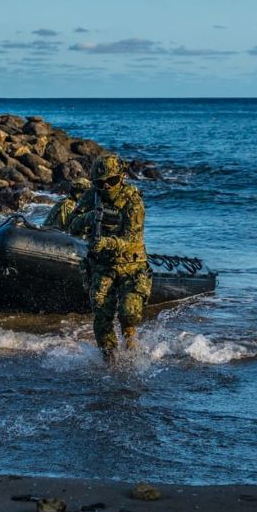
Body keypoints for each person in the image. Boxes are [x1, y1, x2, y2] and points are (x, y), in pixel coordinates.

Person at [68, 155, 152, 363]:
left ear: (121, 178)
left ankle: (131, 339)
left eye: (111, 181)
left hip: (131, 264)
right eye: (100, 183)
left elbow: (132, 238)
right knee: (101, 316)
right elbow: (72, 225)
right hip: (102, 264)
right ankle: (109, 359)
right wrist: (89, 219)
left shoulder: (132, 201)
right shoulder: (92, 197)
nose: (106, 187)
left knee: (129, 312)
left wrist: (107, 242)